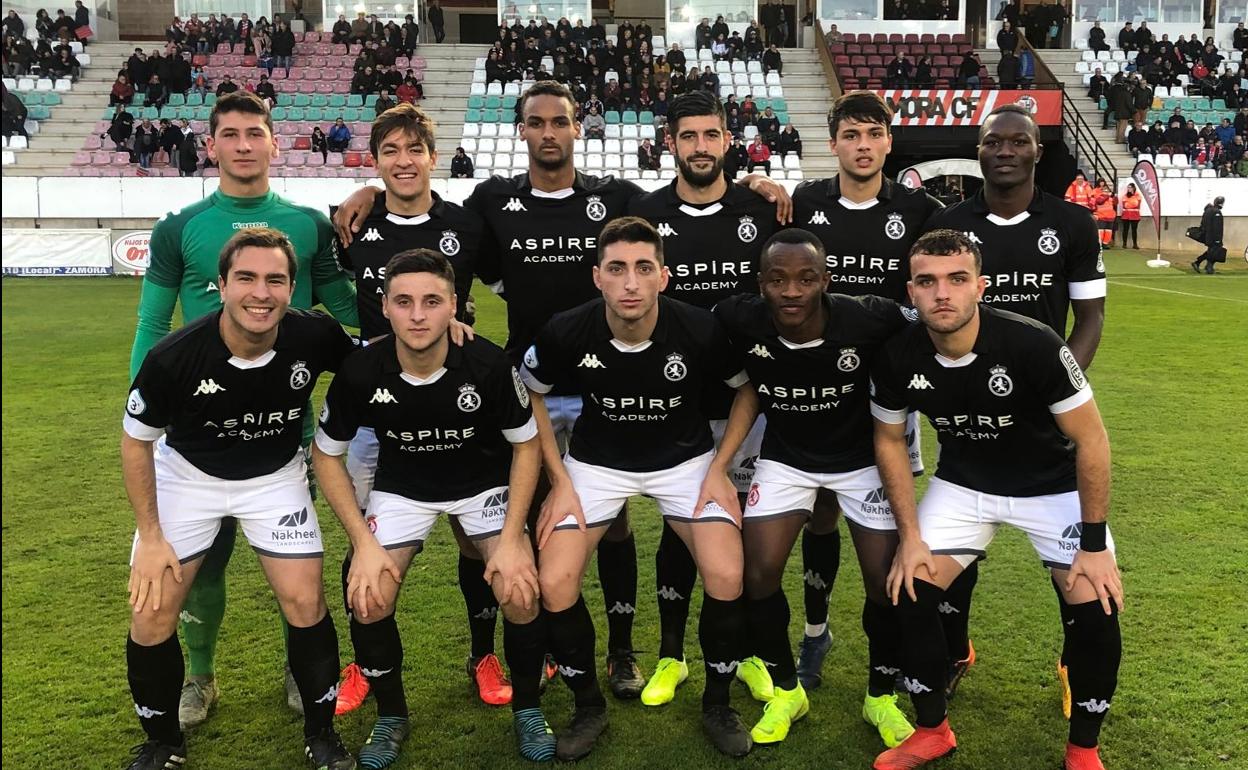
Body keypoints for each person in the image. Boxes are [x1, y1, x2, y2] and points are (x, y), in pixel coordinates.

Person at [330, 80, 792, 720]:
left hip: (625, 394)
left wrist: (757, 185)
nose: (549, 132)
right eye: (537, 122)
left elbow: (693, 193)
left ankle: (624, 651)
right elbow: (452, 258)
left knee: (621, 527)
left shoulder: (618, 199)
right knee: (540, 528)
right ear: (521, 130)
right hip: (534, 387)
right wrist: (370, 193)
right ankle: (545, 653)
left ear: (579, 127)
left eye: (560, 121)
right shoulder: (490, 203)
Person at [128, 91, 361, 733]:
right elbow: (152, 322)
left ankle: (298, 670)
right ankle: (199, 677)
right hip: (193, 432)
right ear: (211, 145)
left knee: (296, 572)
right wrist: (145, 405)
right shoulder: (179, 228)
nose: (243, 145)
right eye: (229, 134)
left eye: (255, 133)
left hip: (282, 428)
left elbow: (344, 307)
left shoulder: (308, 224)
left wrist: (414, 332)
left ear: (274, 142)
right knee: (200, 568)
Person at [869, 228, 1122, 770]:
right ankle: (932, 731)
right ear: (910, 291)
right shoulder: (897, 355)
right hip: (964, 486)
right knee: (908, 588)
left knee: (1096, 604)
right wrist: (910, 538)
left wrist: (1094, 543)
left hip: (1051, 488)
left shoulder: (1034, 344)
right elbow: (889, 439)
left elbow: (1092, 439)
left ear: (980, 286)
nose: (942, 293)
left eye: (957, 279)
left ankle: (1083, 750)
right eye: (927, 282)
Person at [519, 215, 756, 760]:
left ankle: (717, 703)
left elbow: (746, 391)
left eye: (644, 268)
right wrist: (560, 479)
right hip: (596, 465)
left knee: (726, 573)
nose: (630, 282)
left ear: (663, 277)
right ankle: (588, 706)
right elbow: (531, 393)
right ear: (597, 276)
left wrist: (719, 466)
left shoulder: (698, 327)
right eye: (617, 269)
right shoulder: (566, 329)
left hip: (686, 463)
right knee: (555, 581)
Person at [313, 249, 548, 765]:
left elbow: (527, 446)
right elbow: (326, 455)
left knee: (520, 589)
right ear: (385, 306)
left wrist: (513, 539)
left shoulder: (488, 364)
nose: (417, 315)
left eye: (432, 301)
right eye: (404, 302)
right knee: (369, 596)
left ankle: (528, 709)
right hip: (403, 489)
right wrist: (362, 542)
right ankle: (391, 716)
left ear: (454, 306)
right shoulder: (361, 370)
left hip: (482, 485)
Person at [707, 227, 919, 748]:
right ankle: (787, 691)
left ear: (825, 281)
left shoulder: (869, 316)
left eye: (806, 279)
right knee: (757, 574)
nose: (791, 291)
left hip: (861, 461)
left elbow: (936, 325)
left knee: (884, 582)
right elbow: (685, 332)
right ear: (760, 283)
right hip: (787, 460)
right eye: (777, 279)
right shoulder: (738, 317)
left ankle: (881, 697)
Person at [920, 105, 1106, 696]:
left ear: (1037, 152)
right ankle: (955, 650)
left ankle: (1074, 661)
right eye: (993, 142)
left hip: (1046, 416)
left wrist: (1058, 388)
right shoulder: (948, 223)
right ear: (978, 151)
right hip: (968, 414)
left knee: (1073, 570)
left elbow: (1091, 316)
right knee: (953, 551)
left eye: (1017, 141)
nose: (1005, 150)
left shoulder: (1073, 222)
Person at [789, 92, 944, 731]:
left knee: (890, 526)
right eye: (850, 134)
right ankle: (815, 632)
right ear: (833, 143)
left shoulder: (919, 211)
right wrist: (758, 184)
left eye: (873, 133)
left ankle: (888, 665)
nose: (862, 145)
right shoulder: (805, 203)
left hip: (888, 395)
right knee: (820, 512)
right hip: (815, 390)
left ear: (888, 142)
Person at [626, 93, 779, 712]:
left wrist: (765, 184)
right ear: (670, 142)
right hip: (675, 403)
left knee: (744, 534)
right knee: (678, 529)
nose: (699, 147)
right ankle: (671, 655)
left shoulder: (760, 209)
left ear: (727, 140)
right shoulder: (645, 213)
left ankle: (748, 653)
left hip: (749, 401)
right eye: (687, 136)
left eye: (710, 135)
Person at [1191, 196, 1225, 274]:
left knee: (1211, 251)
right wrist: (1218, 239)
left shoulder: (1208, 211)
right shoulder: (1217, 212)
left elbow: (1203, 224)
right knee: (1215, 251)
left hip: (1208, 236)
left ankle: (1206, 266)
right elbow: (1217, 227)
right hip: (1214, 237)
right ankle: (1202, 264)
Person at [1119, 182, 1141, 249]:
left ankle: (1135, 244)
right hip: (1126, 215)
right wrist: (1131, 204)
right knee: (1125, 230)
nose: (1129, 189)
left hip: (1135, 216)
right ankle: (1124, 244)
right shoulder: (1125, 196)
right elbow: (1125, 205)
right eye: (1128, 187)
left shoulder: (1138, 195)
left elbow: (1137, 205)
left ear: (1133, 188)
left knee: (1134, 230)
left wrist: (1129, 204)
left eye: (1130, 187)